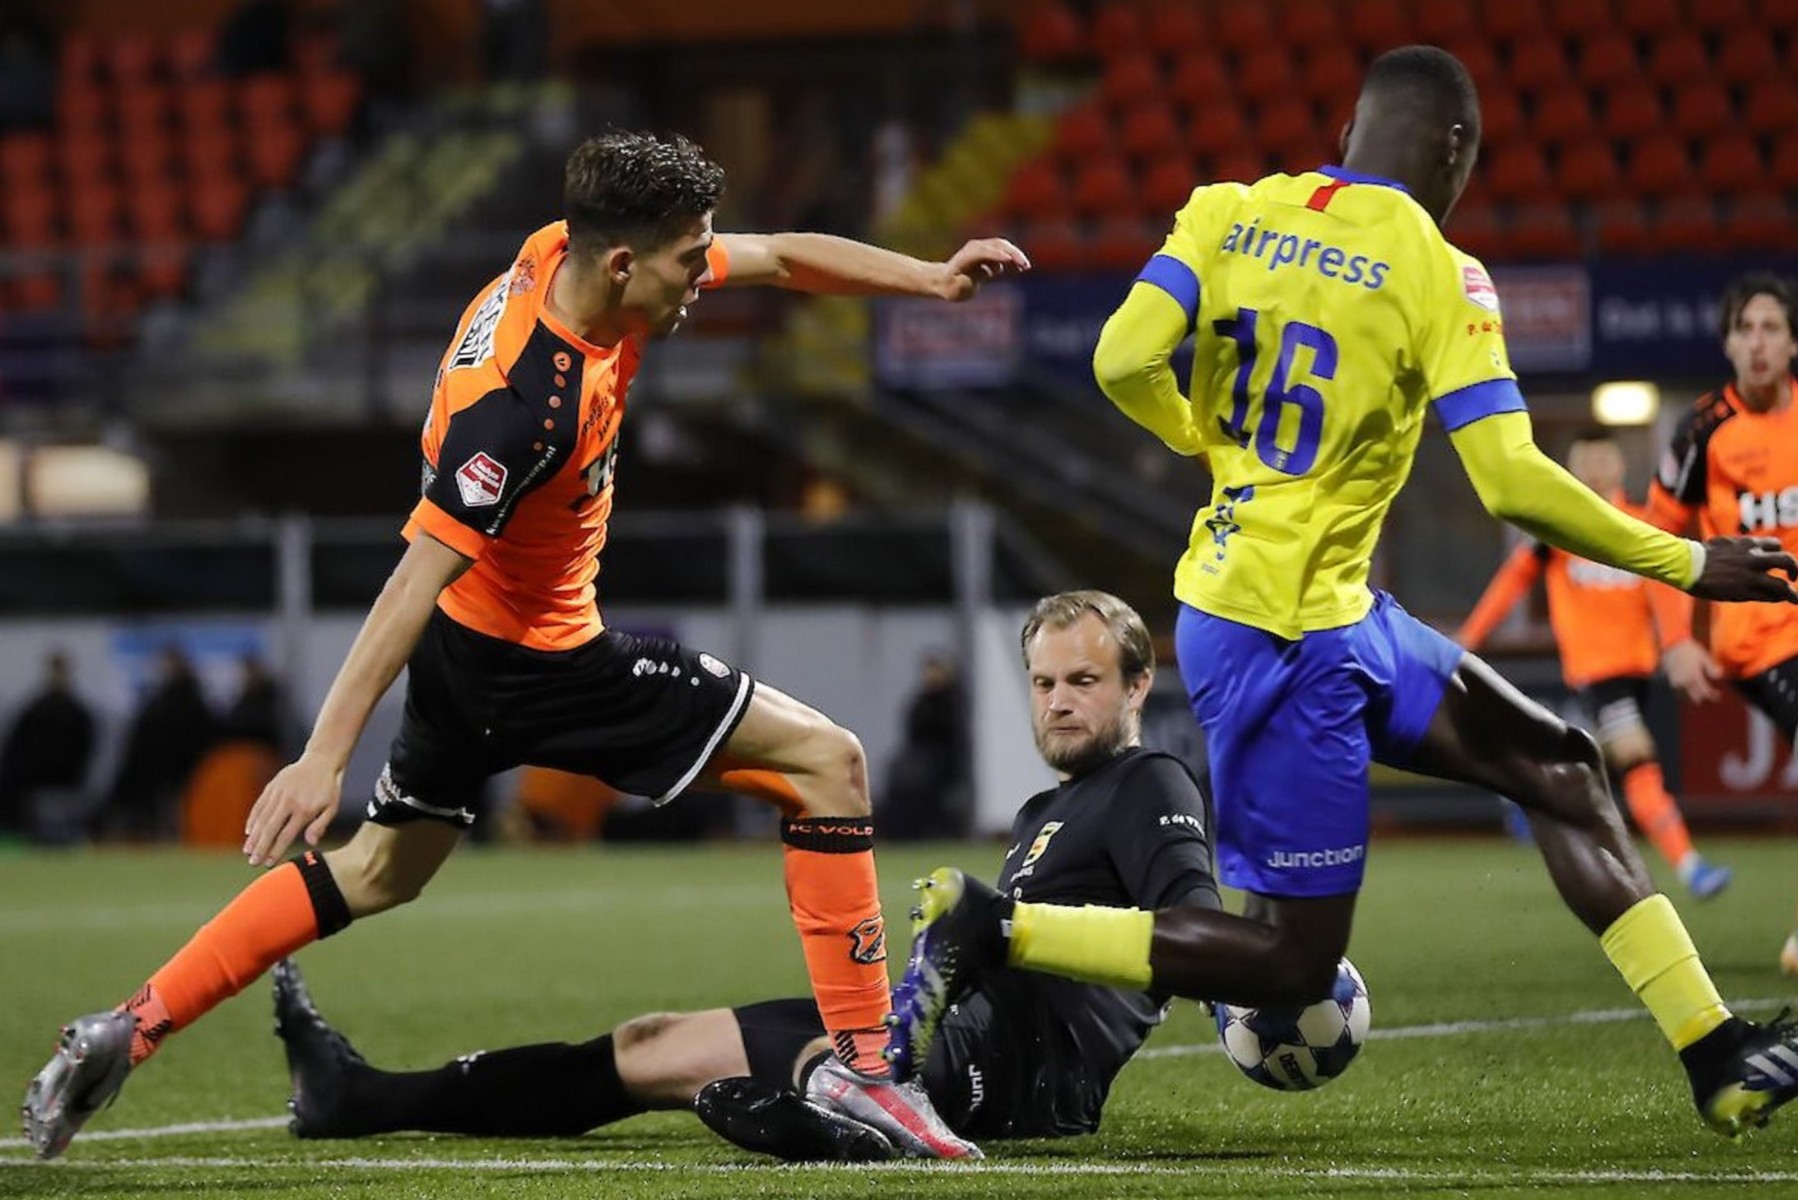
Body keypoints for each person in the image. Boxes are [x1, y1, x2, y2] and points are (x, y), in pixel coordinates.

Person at [22, 129, 1029, 1161]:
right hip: (541, 662)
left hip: (470, 657)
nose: (705, 276)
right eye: (691, 259)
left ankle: (128, 1026)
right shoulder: (522, 413)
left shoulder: (565, 251)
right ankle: (868, 1073)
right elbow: (413, 577)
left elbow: (775, 254)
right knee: (829, 762)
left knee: (376, 872)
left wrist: (931, 280)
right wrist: (323, 755)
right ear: (628, 265)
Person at [886, 46, 1798, 1141]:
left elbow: (1120, 360)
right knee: (1291, 962)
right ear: (1453, 150)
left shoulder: (1227, 210)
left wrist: (1207, 440)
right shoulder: (1436, 266)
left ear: (1355, 124)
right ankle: (998, 928)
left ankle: (1716, 1056)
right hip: (1280, 637)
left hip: (1330, 612)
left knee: (1561, 766)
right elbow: (1509, 480)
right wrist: (1688, 561)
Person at [267, 591, 1216, 1160]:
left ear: (1138, 687)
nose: (1058, 704)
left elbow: (1200, 933)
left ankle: (831, 1122)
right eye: (1044, 685)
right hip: (934, 1031)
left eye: (1083, 683)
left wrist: (1261, 1005)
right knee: (652, 1044)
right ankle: (364, 1097)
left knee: (749, 1066)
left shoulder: (1150, 783)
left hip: (1004, 1077)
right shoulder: (1046, 813)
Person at [1456, 427, 1730, 898]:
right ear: (1572, 470)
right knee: (1639, 765)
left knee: (1587, 769)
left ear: (1620, 466)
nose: (1595, 471)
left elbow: (1666, 590)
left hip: (1639, 668)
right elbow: (1512, 581)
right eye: (1584, 463)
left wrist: (1678, 642)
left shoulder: (1641, 523)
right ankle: (1690, 867)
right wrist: (1469, 638)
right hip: (1597, 671)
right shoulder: (1559, 528)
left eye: (1603, 461)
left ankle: (1535, 801)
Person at [1645, 272, 1798, 970]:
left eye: (1771, 327)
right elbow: (1660, 538)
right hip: (1759, 639)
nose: (1758, 343)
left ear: (1792, 342)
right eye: (1745, 329)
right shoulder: (1704, 430)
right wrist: (1677, 642)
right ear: (1728, 344)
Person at [99, 645, 217, 842]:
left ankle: (177, 841)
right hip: (168, 770)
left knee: (176, 813)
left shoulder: (181, 699)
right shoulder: (171, 697)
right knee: (168, 813)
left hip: (179, 769)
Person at [0, 650, 95, 841]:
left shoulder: (44, 709)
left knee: (56, 834)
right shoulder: (69, 710)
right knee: (52, 834)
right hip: (47, 787)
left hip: (61, 786)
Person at [876, 651, 968, 840]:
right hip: (921, 757)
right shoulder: (921, 701)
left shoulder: (953, 701)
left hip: (943, 760)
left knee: (922, 777)